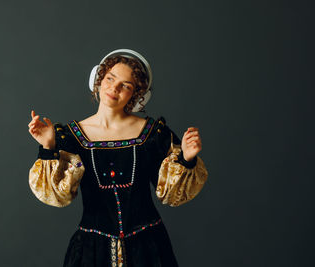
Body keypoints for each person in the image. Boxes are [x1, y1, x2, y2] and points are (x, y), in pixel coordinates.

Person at [27, 49, 208, 267]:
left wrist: (186, 159)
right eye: (110, 78)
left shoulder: (153, 134)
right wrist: (48, 146)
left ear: (137, 95)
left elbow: (172, 195)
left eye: (126, 86)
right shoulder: (69, 136)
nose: (114, 88)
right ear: (98, 78)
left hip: (148, 250)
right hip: (91, 251)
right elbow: (58, 196)